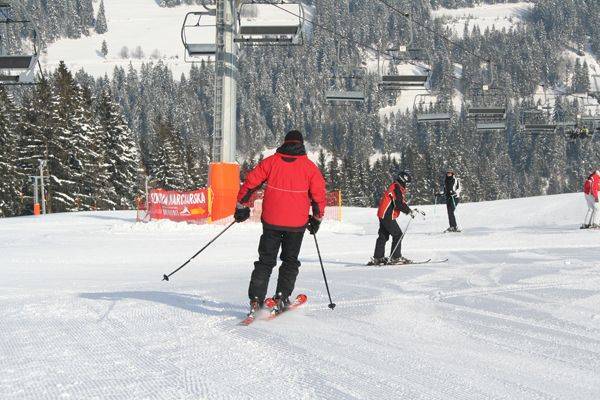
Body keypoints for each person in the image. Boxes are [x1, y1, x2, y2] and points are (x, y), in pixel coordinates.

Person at [234, 130, 327, 316]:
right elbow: (319, 196)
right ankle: (281, 297)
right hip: (297, 223)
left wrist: (241, 206)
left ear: (285, 143)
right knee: (290, 260)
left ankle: (256, 299)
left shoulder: (271, 162)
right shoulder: (310, 168)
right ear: (301, 145)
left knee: (265, 261)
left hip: (271, 220)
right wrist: (317, 219)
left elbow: (250, 183)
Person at [368, 171, 415, 266]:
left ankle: (378, 258)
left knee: (383, 236)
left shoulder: (396, 186)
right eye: (406, 183)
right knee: (398, 234)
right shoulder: (396, 188)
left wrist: (408, 210)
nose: (407, 185)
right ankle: (395, 257)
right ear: (403, 180)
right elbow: (398, 204)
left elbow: (400, 202)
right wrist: (409, 211)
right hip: (387, 215)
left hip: (383, 214)